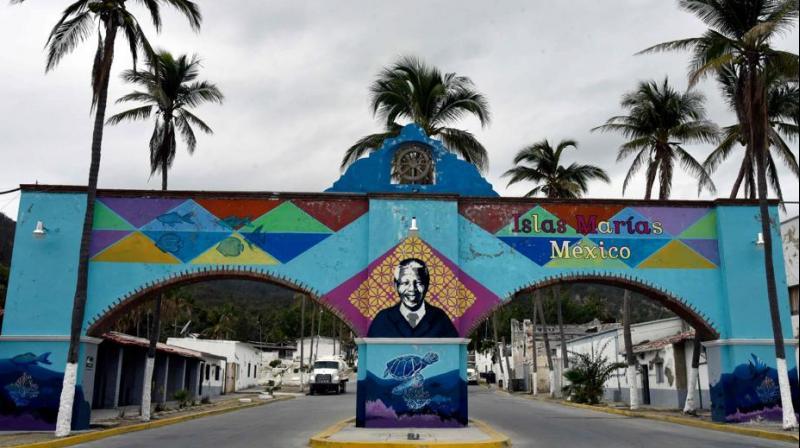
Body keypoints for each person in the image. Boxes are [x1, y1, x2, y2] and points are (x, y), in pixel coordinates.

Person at [367, 258, 458, 338]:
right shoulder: (383, 319)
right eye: (405, 283)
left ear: (427, 285)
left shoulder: (441, 319)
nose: (412, 289)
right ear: (396, 285)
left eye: (418, 283)